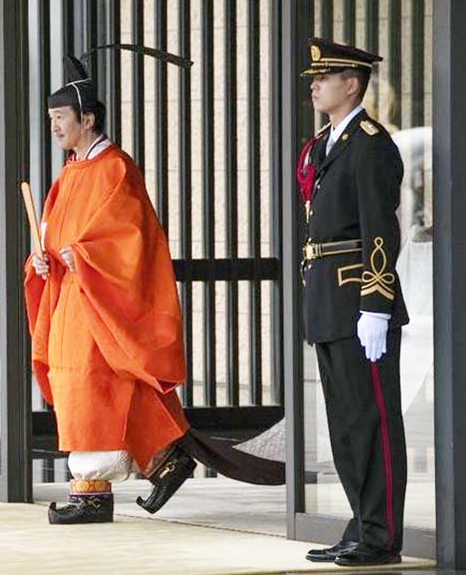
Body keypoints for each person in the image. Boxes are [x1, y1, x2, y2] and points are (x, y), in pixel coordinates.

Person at [24, 54, 284, 525]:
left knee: (101, 387)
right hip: (71, 300)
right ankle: (150, 465)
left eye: (60, 118)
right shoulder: (69, 174)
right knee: (80, 387)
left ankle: (107, 486)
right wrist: (40, 259)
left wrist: (82, 256)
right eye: (51, 119)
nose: (55, 127)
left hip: (99, 300)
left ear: (88, 118)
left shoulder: (115, 168)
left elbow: (129, 238)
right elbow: (52, 235)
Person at [296, 38, 408, 566]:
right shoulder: (326, 143)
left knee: (373, 422)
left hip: (360, 301)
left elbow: (380, 228)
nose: (314, 85)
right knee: (345, 425)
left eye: (324, 77)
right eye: (314, 79)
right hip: (327, 300)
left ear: (352, 84)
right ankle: (361, 525)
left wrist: (377, 303)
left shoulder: (369, 143)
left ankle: (381, 537)